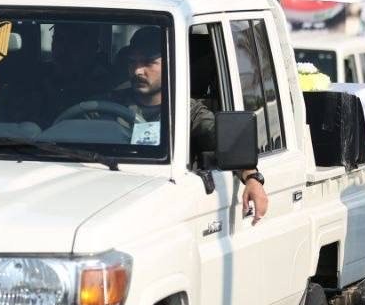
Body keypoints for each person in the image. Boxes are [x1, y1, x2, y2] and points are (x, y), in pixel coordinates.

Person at [110, 27, 268, 223]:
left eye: (148, 62)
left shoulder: (188, 111)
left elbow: (229, 142)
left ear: (170, 65)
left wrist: (252, 178)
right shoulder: (109, 104)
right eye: (132, 62)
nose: (137, 70)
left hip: (165, 206)